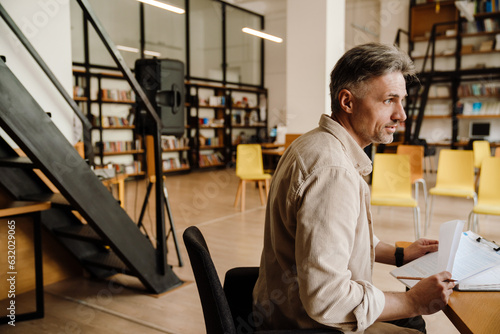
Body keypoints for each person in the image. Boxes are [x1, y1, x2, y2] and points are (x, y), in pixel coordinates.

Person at [252, 43, 455, 334]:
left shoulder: (312, 143)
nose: (401, 115)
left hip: (281, 309)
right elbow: (328, 299)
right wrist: (413, 301)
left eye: (402, 101)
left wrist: (399, 255)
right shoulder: (333, 172)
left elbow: (339, 239)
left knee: (409, 318)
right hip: (306, 325)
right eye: (389, 100)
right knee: (414, 323)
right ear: (347, 102)